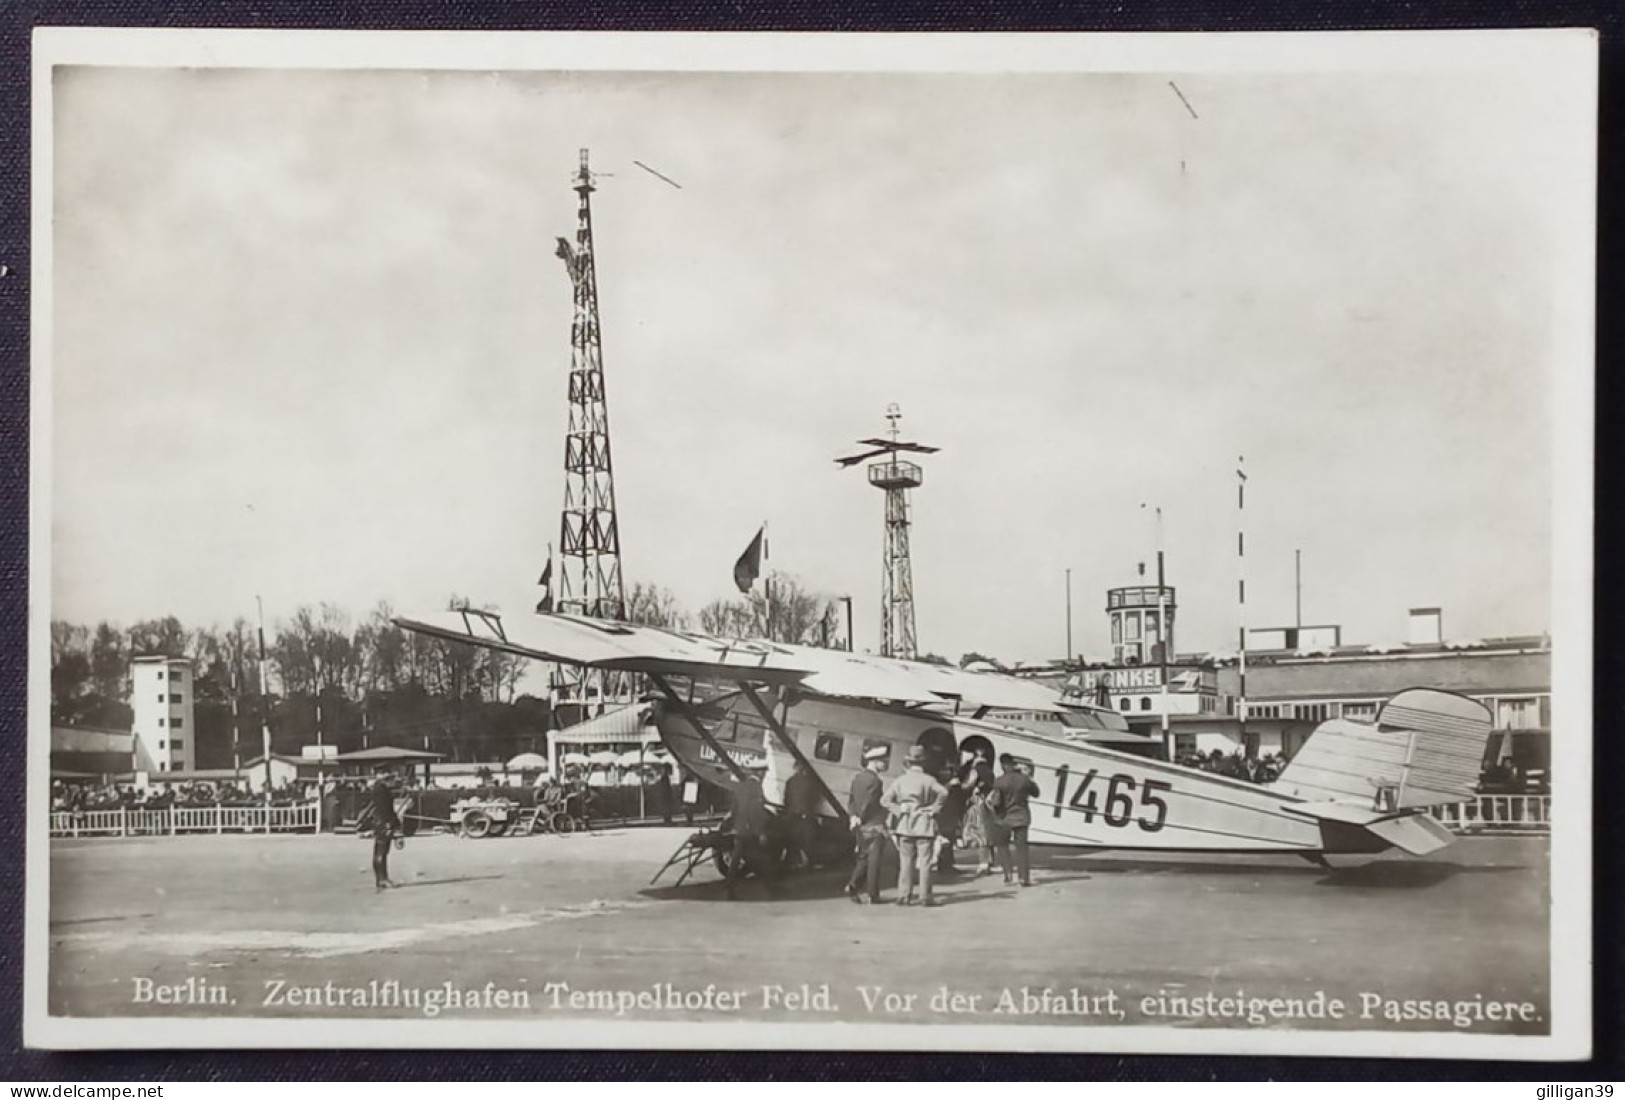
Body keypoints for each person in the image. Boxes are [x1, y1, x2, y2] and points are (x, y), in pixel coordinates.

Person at [883, 745, 948, 907]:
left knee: (905, 861)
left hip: (905, 825)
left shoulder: (900, 780)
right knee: (925, 862)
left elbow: (884, 800)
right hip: (924, 824)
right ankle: (925, 897)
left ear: (908, 762)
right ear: (923, 763)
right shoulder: (929, 780)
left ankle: (904, 896)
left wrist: (898, 809)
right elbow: (944, 793)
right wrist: (934, 808)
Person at [724, 761, 779, 899]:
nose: (765, 775)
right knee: (763, 859)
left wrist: (735, 826)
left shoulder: (740, 786)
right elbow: (755, 812)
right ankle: (771, 889)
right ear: (759, 772)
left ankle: (730, 889)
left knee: (736, 860)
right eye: (764, 772)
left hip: (740, 829)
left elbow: (734, 809)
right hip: (751, 831)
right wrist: (760, 832)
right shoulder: (756, 788)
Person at [845, 745, 891, 904]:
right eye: (883, 761)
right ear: (875, 761)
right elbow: (869, 803)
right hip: (873, 824)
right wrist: (864, 817)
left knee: (864, 858)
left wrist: (853, 817)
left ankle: (853, 885)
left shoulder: (857, 778)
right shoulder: (875, 780)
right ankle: (873, 894)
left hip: (859, 824)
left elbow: (851, 800)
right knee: (874, 861)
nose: (885, 764)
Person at [990, 753, 1040, 887]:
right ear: (1013, 764)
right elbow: (1036, 793)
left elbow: (996, 802)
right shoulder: (1024, 780)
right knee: (1022, 848)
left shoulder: (999, 781)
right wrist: (1029, 777)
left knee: (1003, 847)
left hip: (1004, 819)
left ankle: (1008, 875)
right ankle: (1023, 878)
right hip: (1022, 817)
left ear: (1002, 765)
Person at [959, 749, 997, 876]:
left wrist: (961, 784)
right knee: (987, 832)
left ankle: (983, 864)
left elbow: (968, 785)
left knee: (980, 833)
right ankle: (990, 861)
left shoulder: (975, 770)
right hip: (988, 804)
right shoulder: (990, 772)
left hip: (977, 804)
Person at [782, 759, 821, 871]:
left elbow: (786, 799)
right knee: (808, 839)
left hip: (792, 813)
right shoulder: (810, 782)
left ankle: (789, 862)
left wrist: (787, 811)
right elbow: (815, 799)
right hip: (805, 814)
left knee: (792, 839)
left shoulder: (790, 781)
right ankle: (810, 863)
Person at [368, 770, 401, 893]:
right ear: (388, 779)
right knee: (382, 851)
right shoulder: (382, 790)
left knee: (378, 851)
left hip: (379, 822)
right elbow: (386, 809)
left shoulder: (377, 788)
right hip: (384, 822)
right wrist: (392, 822)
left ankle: (379, 879)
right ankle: (383, 878)